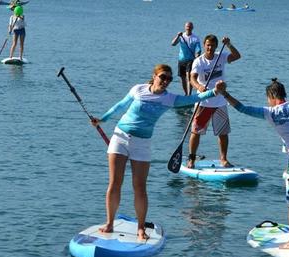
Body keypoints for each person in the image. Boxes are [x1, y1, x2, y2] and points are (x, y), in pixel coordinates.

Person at [90, 64, 226, 239]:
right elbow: (120, 106)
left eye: (169, 79)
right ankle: (109, 223)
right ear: (154, 76)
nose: (166, 81)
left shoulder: (169, 99)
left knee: (139, 187)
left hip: (142, 143)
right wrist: (102, 119)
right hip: (120, 137)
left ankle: (141, 228)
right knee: (115, 183)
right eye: (163, 77)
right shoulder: (138, 89)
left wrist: (215, 91)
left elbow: (194, 98)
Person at [220, 79, 289, 249]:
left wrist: (225, 94)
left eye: (268, 98)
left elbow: (242, 108)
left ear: (272, 96)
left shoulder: (270, 112)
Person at [187, 35, 241, 169]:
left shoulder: (221, 57)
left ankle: (223, 159)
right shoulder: (199, 62)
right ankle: (192, 159)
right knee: (196, 132)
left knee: (223, 133)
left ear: (216, 46)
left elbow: (237, 56)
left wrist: (228, 44)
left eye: (212, 45)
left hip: (220, 102)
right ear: (204, 45)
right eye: (207, 45)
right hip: (204, 102)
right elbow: (192, 79)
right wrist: (199, 87)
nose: (210, 48)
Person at [171, 22, 202, 96]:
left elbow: (199, 49)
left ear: (192, 28)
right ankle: (185, 94)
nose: (188, 28)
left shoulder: (195, 38)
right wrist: (178, 36)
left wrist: (197, 56)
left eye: (190, 27)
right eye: (187, 26)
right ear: (185, 27)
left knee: (188, 77)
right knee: (182, 78)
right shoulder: (181, 36)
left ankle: (189, 94)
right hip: (181, 60)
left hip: (190, 60)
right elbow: (173, 44)